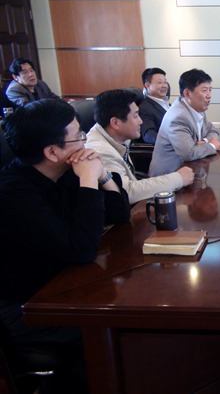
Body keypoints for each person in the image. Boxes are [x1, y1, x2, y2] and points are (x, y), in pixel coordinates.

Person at [0, 99, 130, 393]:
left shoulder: (62, 172)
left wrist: (102, 176)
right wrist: (88, 179)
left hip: (63, 285)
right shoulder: (14, 195)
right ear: (52, 152)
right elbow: (82, 250)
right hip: (26, 307)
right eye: (78, 136)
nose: (85, 141)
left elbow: (120, 213)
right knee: (122, 332)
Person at [85, 89, 194, 204]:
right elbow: (127, 192)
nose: (141, 121)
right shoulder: (101, 151)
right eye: (135, 116)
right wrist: (178, 178)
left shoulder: (116, 136)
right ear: (115, 123)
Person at [149, 69, 220, 176]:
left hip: (190, 170)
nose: (209, 95)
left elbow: (213, 131)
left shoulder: (197, 108)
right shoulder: (179, 117)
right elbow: (189, 153)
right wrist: (212, 146)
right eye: (204, 90)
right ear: (187, 93)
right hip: (169, 176)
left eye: (210, 90)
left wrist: (204, 141)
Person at [138, 67, 170, 144]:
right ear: (148, 85)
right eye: (160, 83)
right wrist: (174, 141)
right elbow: (148, 135)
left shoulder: (167, 103)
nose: (164, 86)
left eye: (165, 82)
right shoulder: (145, 108)